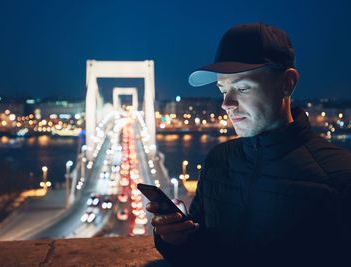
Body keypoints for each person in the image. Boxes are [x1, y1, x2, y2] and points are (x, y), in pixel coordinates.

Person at [146, 23, 351, 266]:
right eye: (222, 90)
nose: (226, 104)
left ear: (287, 83)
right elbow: (201, 254)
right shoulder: (218, 160)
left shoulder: (340, 178)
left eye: (242, 88)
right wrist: (176, 239)